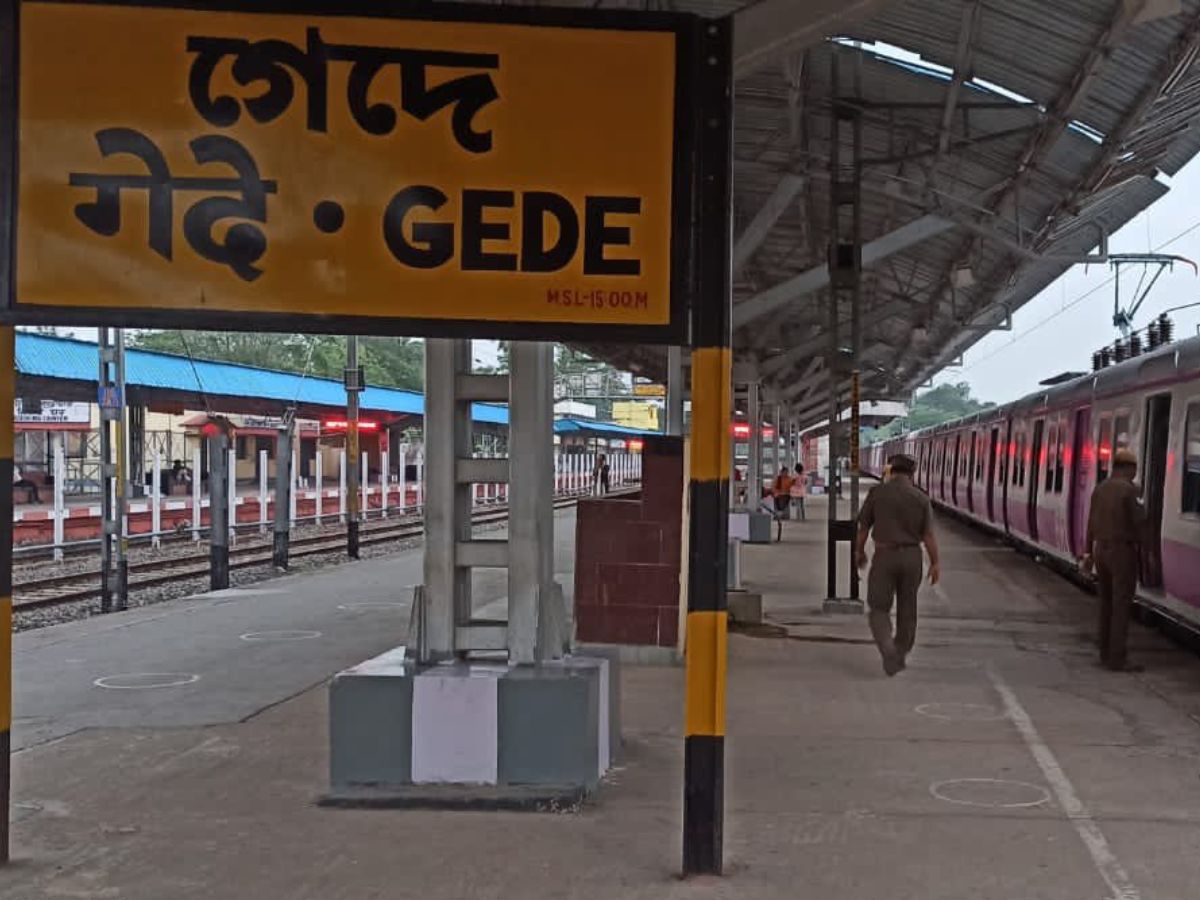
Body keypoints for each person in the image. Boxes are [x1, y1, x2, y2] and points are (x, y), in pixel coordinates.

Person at [854, 453, 940, 676]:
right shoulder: (921, 498)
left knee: (879, 608)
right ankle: (900, 650)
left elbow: (864, 527)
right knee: (908, 609)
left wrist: (859, 551)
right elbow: (928, 535)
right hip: (912, 558)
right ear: (913, 473)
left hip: (884, 556)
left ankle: (889, 650)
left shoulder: (877, 493)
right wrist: (935, 562)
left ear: (891, 471)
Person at [1080, 448, 1146, 672]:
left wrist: (1088, 553)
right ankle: (1118, 658)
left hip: (1100, 550)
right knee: (1120, 606)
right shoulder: (1129, 491)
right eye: (1134, 469)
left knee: (1105, 604)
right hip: (1121, 552)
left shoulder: (1100, 488)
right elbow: (1140, 523)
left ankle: (1104, 653)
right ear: (1129, 468)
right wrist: (1149, 552)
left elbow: (1090, 523)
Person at [771, 466, 794, 541]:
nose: (786, 473)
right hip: (778, 496)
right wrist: (777, 493)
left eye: (787, 472)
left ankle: (780, 514)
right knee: (779, 504)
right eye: (784, 472)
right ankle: (779, 514)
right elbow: (773, 488)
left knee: (782, 504)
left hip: (785, 496)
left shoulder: (790, 479)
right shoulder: (778, 479)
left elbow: (792, 487)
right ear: (782, 472)